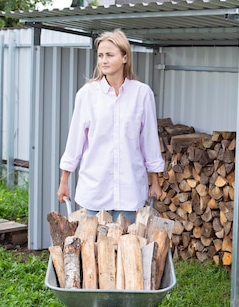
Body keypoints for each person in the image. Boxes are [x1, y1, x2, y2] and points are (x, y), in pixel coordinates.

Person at [56, 29, 164, 224]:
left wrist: (155, 181)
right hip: (95, 189)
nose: (103, 60)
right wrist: (64, 181)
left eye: (109, 55)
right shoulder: (87, 95)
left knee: (127, 249)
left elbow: (149, 141)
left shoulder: (141, 94)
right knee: (93, 251)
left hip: (130, 189)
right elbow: (75, 141)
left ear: (124, 57)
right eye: (100, 55)